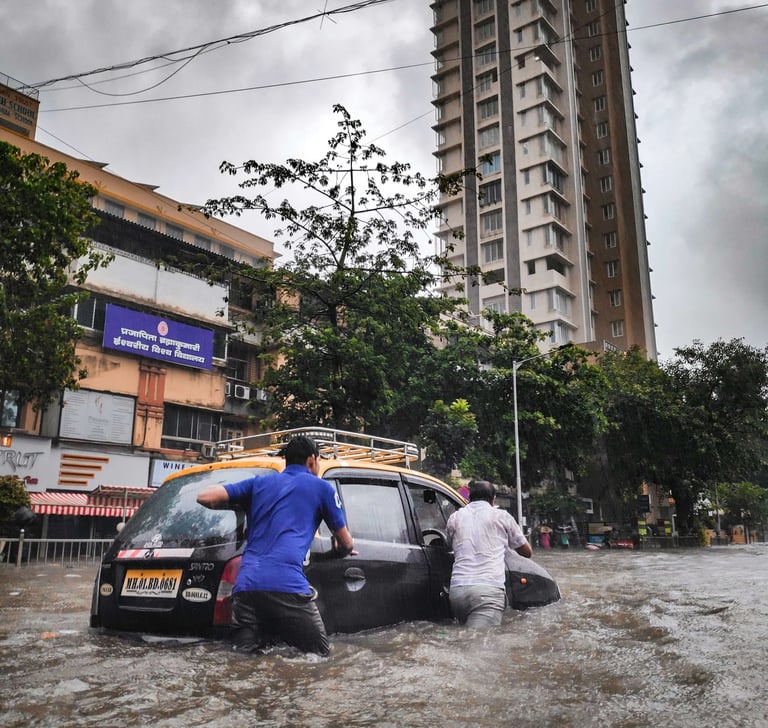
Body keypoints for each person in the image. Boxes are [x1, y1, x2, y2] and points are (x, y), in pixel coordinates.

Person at [196, 435, 355, 655]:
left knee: (243, 661)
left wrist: (239, 504)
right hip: (288, 586)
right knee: (320, 657)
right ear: (312, 460)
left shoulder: (258, 484)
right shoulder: (322, 488)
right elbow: (346, 543)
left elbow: (204, 497)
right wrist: (339, 549)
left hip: (246, 588)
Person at [445, 479, 532, 628]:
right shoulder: (501, 516)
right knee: (479, 645)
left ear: (469, 498)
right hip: (487, 592)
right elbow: (526, 552)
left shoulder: (455, 518)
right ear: (493, 499)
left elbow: (450, 545)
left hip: (457, 591)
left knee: (465, 640)